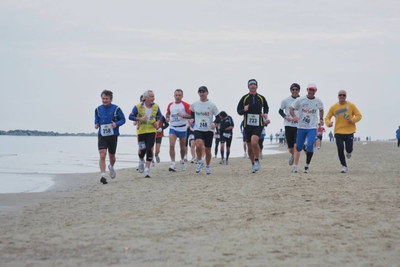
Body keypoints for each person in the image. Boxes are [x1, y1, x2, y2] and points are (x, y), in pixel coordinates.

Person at [325, 90, 363, 173]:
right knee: (340, 148)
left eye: (343, 95)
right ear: (338, 96)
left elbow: (359, 116)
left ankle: (349, 152)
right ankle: (344, 166)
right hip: (338, 131)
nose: (342, 96)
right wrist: (328, 123)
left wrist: (352, 120)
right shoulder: (334, 107)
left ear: (346, 96)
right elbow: (327, 117)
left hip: (349, 131)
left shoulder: (351, 105)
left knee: (348, 149)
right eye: (340, 95)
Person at [290, 83, 324, 173]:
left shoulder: (318, 101)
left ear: (315, 91)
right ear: (307, 90)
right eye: (310, 89)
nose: (311, 91)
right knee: (298, 147)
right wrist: (294, 117)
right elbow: (291, 108)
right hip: (301, 127)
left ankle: (306, 165)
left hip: (312, 127)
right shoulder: (300, 100)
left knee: (310, 145)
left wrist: (321, 119)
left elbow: (321, 109)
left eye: (313, 90)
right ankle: (295, 165)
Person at [237, 79, 269, 173]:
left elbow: (266, 106)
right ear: (248, 87)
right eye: (251, 84)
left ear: (257, 86)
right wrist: (244, 110)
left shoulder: (261, 98)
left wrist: (265, 113)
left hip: (258, 124)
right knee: (249, 146)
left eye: (254, 84)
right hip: (247, 125)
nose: (253, 86)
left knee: (255, 142)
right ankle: (252, 164)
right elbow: (238, 111)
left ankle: (256, 160)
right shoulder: (245, 98)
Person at [94, 90, 126, 184]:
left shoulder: (116, 109)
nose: (104, 100)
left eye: (106, 99)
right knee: (102, 154)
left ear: (111, 99)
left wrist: (116, 124)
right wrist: (96, 124)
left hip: (113, 135)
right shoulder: (98, 109)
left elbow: (123, 119)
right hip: (102, 135)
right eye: (103, 98)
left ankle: (111, 166)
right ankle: (103, 175)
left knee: (112, 156)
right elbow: (96, 119)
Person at [129, 90, 162, 178]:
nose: (153, 98)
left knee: (149, 149)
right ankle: (141, 161)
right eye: (151, 97)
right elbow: (130, 116)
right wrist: (140, 119)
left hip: (151, 131)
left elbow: (160, 116)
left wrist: (157, 123)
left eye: (153, 96)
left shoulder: (156, 106)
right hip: (141, 131)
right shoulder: (138, 106)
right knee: (142, 150)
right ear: (146, 98)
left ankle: (147, 169)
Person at [191, 86, 219, 175]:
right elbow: (192, 113)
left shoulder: (212, 105)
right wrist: (192, 119)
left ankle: (207, 166)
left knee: (208, 150)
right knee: (198, 146)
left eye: (203, 92)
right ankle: (199, 161)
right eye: (200, 92)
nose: (202, 93)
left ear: (207, 93)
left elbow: (218, 117)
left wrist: (214, 123)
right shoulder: (194, 104)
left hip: (209, 130)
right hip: (198, 128)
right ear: (198, 93)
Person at [165, 89, 192, 172]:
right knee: (171, 145)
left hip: (182, 127)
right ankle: (173, 163)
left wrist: (183, 116)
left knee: (182, 147)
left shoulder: (186, 105)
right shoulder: (171, 104)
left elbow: (191, 115)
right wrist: (167, 118)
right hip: (173, 127)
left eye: (179, 95)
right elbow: (167, 113)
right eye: (176, 95)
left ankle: (182, 160)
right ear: (174, 95)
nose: (178, 97)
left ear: (182, 96)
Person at [279, 83, 300, 165]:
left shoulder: (302, 100)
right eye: (293, 89)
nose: (295, 91)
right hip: (288, 125)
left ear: (299, 91)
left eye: (296, 89)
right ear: (291, 90)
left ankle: (295, 165)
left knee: (296, 145)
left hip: (298, 126)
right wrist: (285, 117)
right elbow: (280, 111)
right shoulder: (285, 100)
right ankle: (292, 154)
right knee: (291, 148)